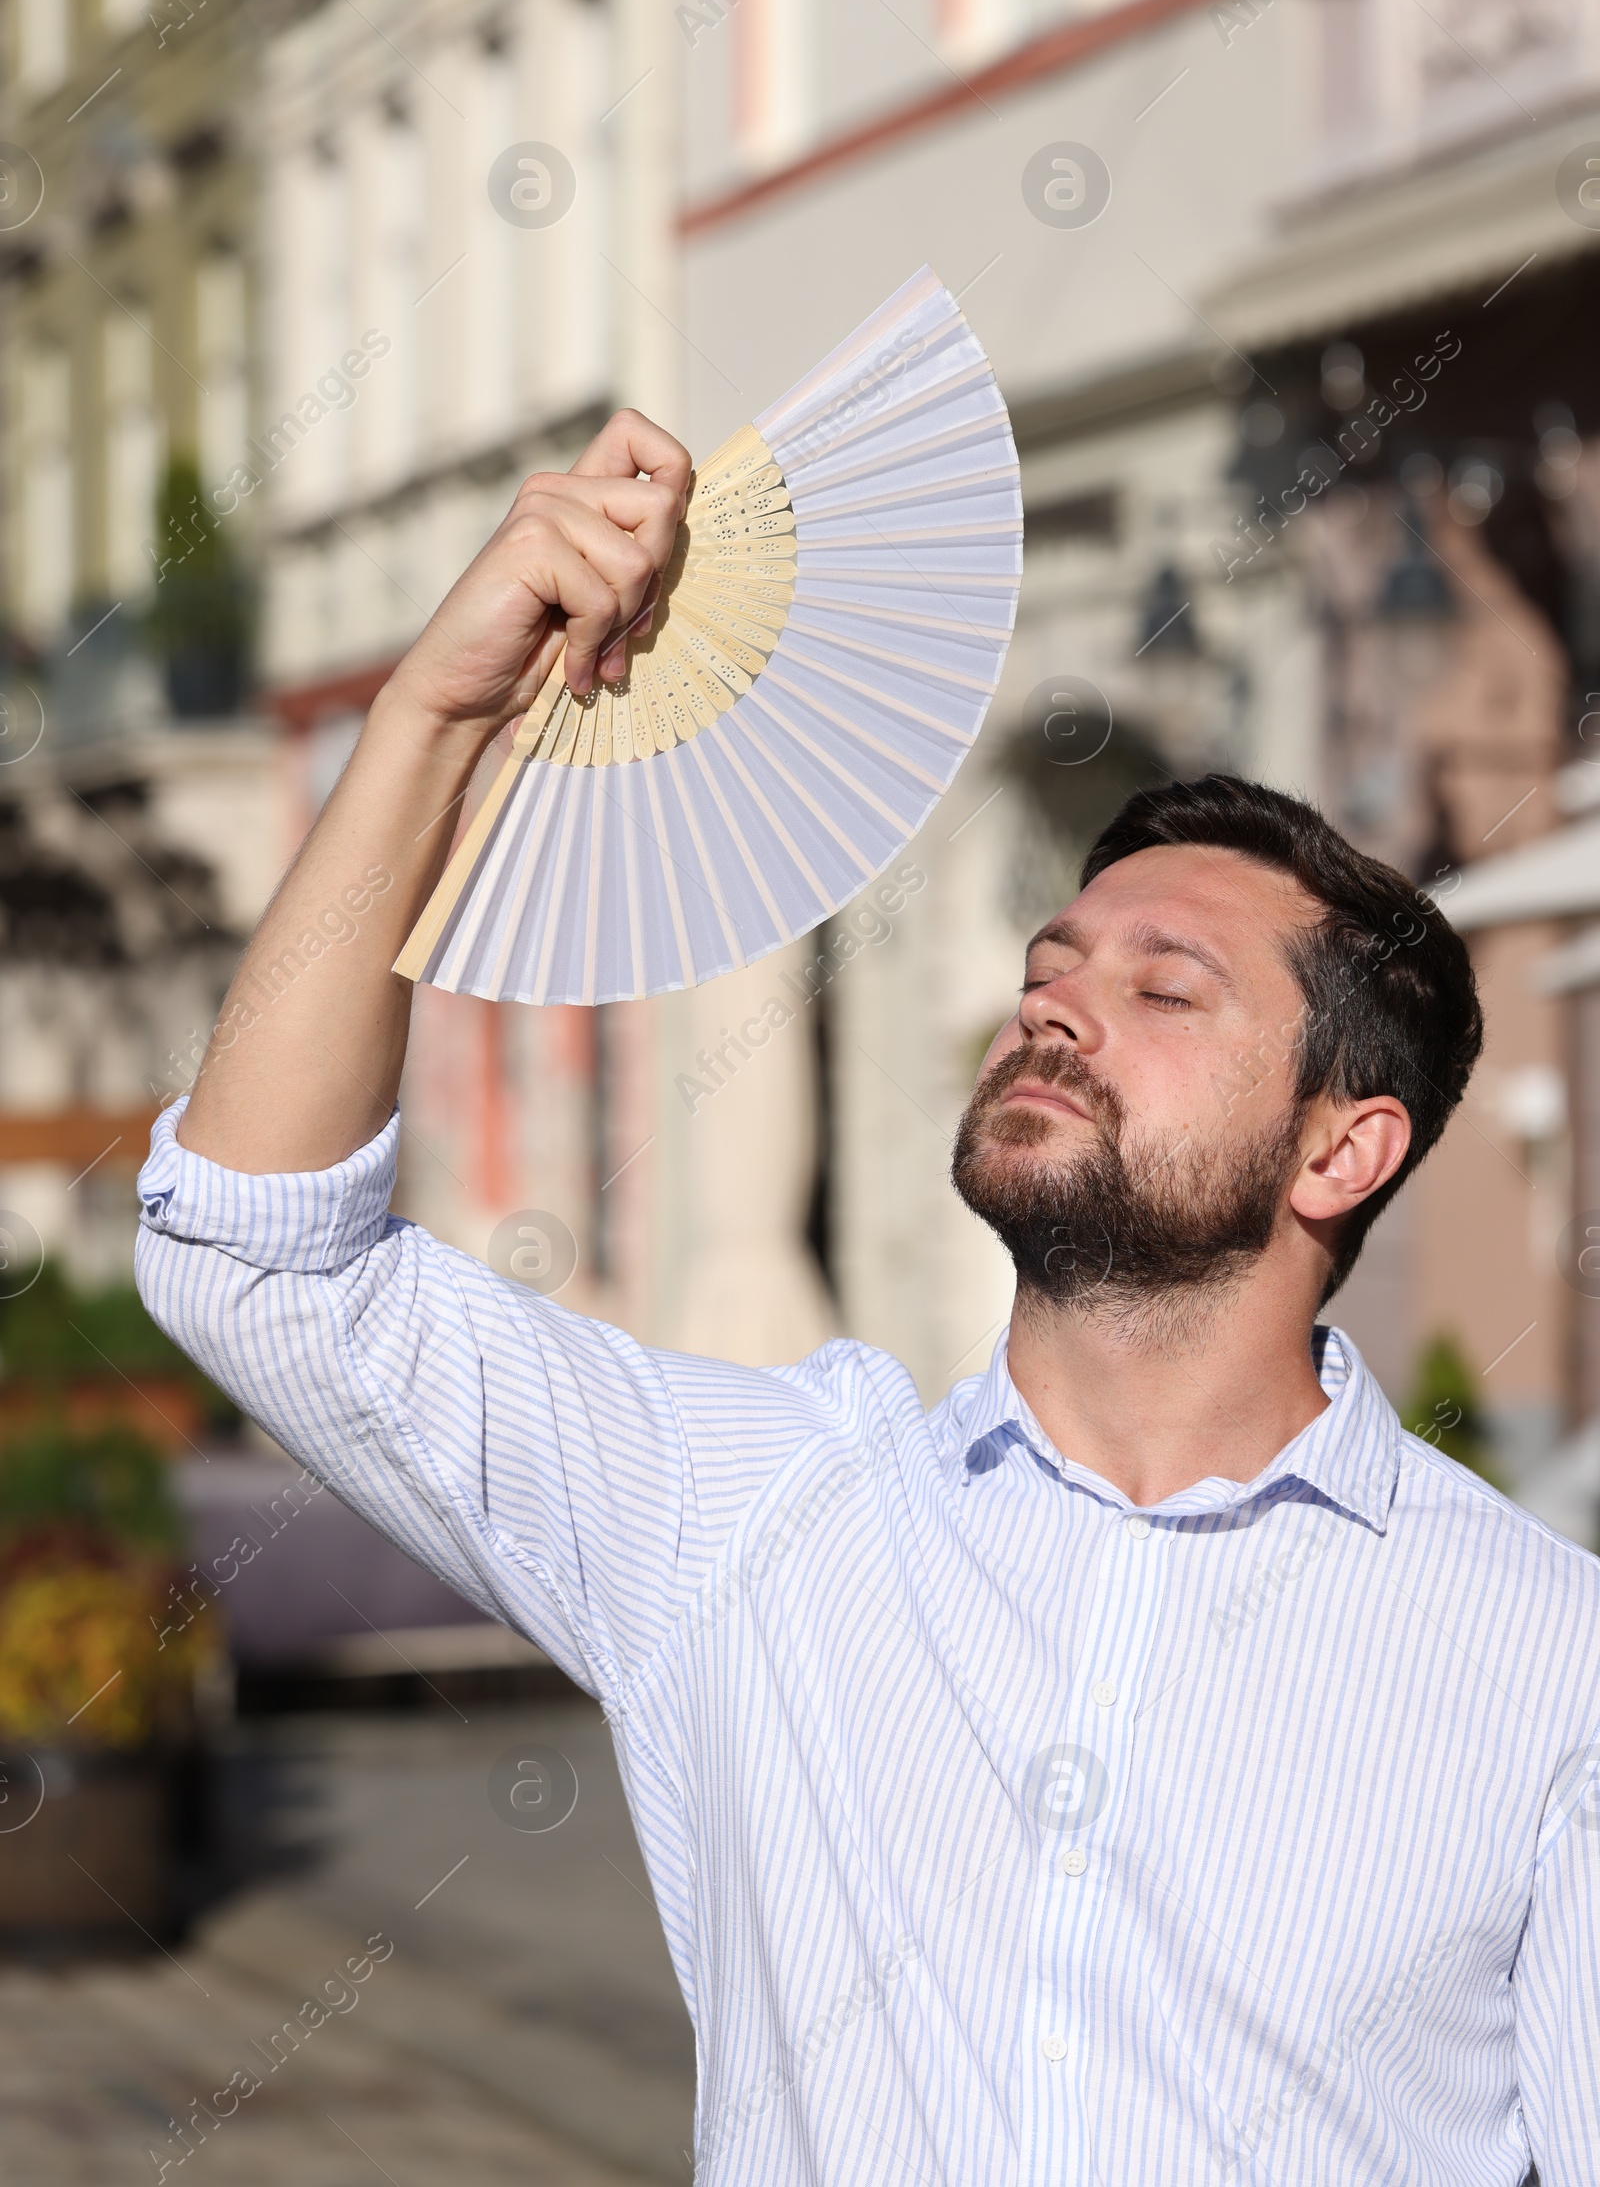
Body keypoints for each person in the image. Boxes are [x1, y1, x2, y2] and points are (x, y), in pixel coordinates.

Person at [137, 411, 1598, 2185]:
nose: (1053, 1002)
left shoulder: (1546, 1662)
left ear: (1340, 1152)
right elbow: (254, 1253)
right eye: (1054, 964)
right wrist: (430, 723)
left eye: (1167, 989)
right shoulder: (761, 1516)